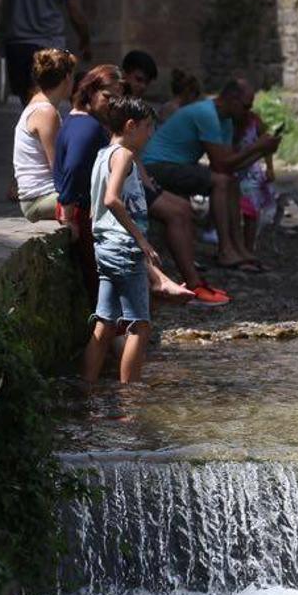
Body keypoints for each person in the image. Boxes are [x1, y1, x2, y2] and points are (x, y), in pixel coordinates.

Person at [54, 64, 200, 305]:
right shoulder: (88, 128)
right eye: (107, 97)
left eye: (117, 99)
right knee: (124, 309)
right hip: (86, 214)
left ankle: (158, 282)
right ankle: (158, 284)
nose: (112, 105)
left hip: (92, 212)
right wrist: (68, 212)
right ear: (90, 91)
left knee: (109, 309)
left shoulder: (81, 122)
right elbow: (75, 169)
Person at [116, 51, 229, 304]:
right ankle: (193, 283)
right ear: (124, 74)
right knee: (176, 212)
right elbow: (123, 151)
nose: (141, 86)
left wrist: (148, 181)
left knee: (183, 207)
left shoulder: (132, 105)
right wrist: (145, 182)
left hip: (136, 175)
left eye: (146, 82)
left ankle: (192, 278)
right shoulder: (119, 107)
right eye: (138, 79)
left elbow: (134, 153)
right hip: (121, 181)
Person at [142, 77, 280, 272]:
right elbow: (221, 164)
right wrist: (257, 147)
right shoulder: (206, 114)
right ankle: (225, 250)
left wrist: (262, 151)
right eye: (246, 106)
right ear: (232, 100)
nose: (248, 112)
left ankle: (239, 248)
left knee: (229, 180)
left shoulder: (225, 120)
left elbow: (231, 167)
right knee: (221, 182)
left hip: (177, 165)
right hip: (156, 166)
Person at [82, 96, 159, 384]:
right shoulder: (124, 155)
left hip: (104, 247)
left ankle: (87, 393)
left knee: (104, 325)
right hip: (124, 248)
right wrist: (141, 240)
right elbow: (111, 198)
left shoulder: (103, 154)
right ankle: (130, 402)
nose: (150, 134)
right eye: (147, 126)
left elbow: (95, 207)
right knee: (139, 326)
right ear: (130, 125)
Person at [13, 48, 76, 221]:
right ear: (67, 78)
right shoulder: (46, 112)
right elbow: (57, 167)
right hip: (39, 199)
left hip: (41, 195)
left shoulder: (39, 104)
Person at [235, 107, 276, 253]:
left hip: (250, 173)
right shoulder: (228, 121)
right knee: (233, 212)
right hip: (233, 170)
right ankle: (235, 247)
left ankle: (248, 248)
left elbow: (268, 145)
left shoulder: (255, 121)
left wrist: (270, 168)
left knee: (251, 212)